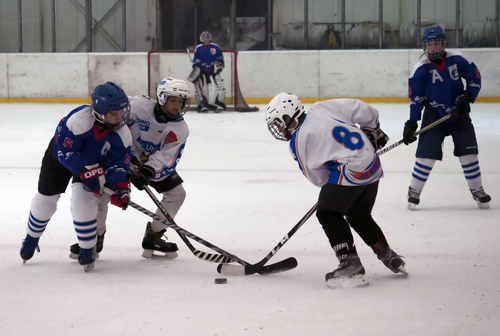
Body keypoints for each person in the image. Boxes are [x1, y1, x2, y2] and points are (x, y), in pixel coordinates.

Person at [265, 92, 407, 289]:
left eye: (281, 121)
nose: (279, 128)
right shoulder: (322, 107)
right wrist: (372, 129)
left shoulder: (297, 141)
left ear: (291, 115)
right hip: (372, 166)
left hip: (351, 171)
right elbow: (359, 108)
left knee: (328, 213)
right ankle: (388, 255)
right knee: (358, 216)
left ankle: (350, 262)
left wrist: (331, 192)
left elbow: (317, 177)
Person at [68, 77, 190, 259]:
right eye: (173, 100)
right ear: (162, 98)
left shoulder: (181, 129)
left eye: (181, 102)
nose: (177, 106)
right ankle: (95, 238)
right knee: (102, 194)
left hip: (149, 165)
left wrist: (149, 171)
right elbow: (110, 111)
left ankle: (154, 236)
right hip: (119, 157)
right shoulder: (138, 106)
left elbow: (167, 156)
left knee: (177, 194)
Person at [20, 82, 132, 272]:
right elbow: (66, 154)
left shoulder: (122, 134)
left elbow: (118, 164)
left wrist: (121, 186)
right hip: (59, 157)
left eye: (121, 113)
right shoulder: (77, 121)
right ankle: (31, 237)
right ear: (98, 111)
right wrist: (86, 173)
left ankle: (88, 249)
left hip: (94, 163)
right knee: (46, 199)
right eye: (113, 115)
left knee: (83, 200)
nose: (118, 119)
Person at [403, 26, 491, 210]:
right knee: (425, 157)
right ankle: (414, 190)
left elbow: (475, 79)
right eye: (429, 44)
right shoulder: (420, 69)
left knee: (470, 154)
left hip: (459, 114)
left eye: (436, 43)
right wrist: (412, 122)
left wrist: (467, 97)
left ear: (443, 43)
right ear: (425, 45)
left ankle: (477, 189)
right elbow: (416, 99)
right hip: (434, 115)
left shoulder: (458, 59)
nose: (433, 47)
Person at [188, 31, 226, 113]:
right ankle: (203, 105)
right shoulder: (198, 48)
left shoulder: (215, 47)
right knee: (203, 88)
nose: (206, 39)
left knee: (219, 87)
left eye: (207, 37)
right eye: (204, 37)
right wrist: (197, 68)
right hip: (203, 72)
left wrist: (219, 66)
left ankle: (218, 104)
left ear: (210, 38)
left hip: (214, 71)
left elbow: (220, 59)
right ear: (201, 39)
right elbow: (196, 61)